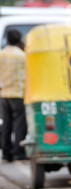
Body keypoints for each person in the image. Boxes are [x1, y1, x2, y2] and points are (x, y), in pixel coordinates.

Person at [0, 29, 27, 162]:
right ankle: (18, 153)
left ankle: (6, 154)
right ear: (19, 39)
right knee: (19, 125)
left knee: (7, 124)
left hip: (4, 94)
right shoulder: (22, 55)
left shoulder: (1, 54)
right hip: (18, 93)